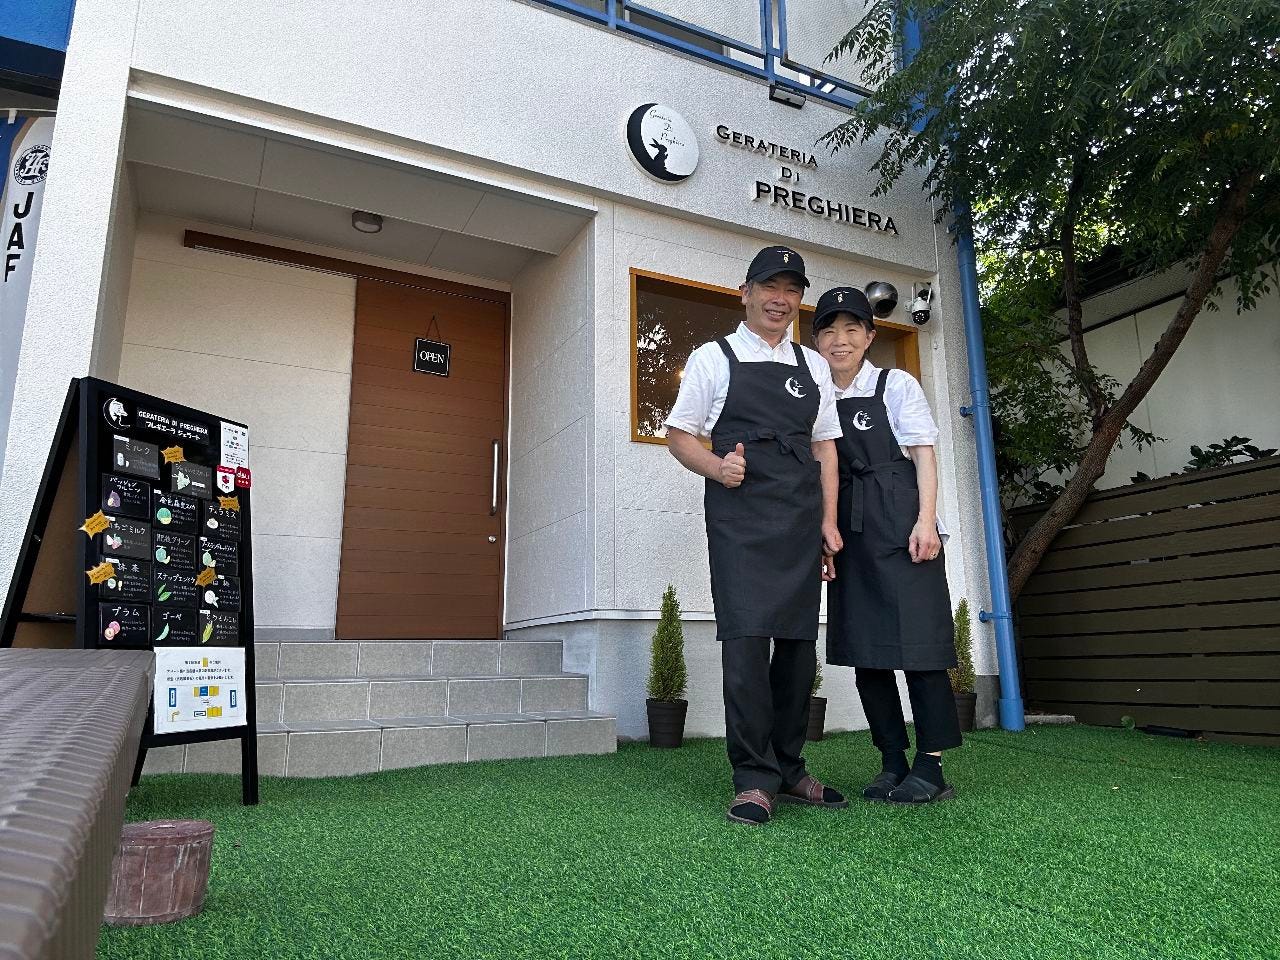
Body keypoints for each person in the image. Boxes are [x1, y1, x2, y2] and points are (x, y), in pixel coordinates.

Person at [665, 246, 848, 826]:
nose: (780, 299)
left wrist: (828, 522)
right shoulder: (712, 357)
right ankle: (752, 777)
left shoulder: (813, 365)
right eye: (770, 286)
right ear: (745, 293)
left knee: (796, 649)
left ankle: (789, 769)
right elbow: (679, 435)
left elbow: (825, 447)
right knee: (747, 646)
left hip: (799, 519)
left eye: (792, 290)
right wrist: (718, 467)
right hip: (740, 521)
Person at [811, 285, 962, 805]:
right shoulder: (816, 397)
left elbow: (923, 455)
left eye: (851, 328)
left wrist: (926, 522)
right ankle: (892, 760)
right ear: (817, 341)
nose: (840, 340)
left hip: (902, 524)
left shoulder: (895, 385)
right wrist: (824, 536)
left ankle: (931, 766)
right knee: (867, 652)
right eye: (829, 330)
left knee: (920, 649)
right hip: (849, 530)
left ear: (870, 336)